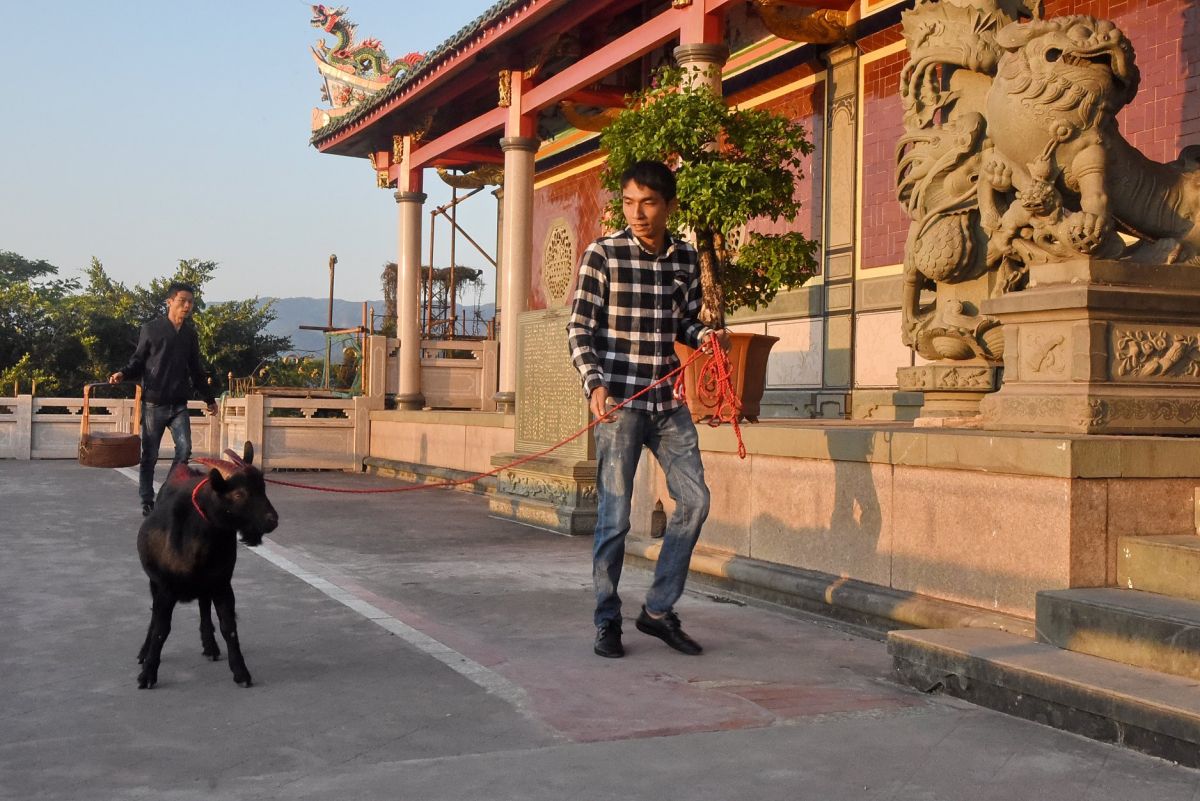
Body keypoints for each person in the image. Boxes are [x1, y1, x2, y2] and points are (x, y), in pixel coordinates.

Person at [567, 159, 729, 659]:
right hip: (619, 405)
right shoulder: (603, 254)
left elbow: (683, 322)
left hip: (668, 401)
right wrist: (594, 383)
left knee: (696, 501)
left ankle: (657, 610)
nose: (637, 213)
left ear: (669, 206)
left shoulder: (685, 257)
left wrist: (707, 336)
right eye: (629, 202)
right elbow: (579, 329)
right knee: (614, 519)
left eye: (649, 203)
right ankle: (607, 620)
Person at [109, 282, 218, 516]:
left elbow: (196, 369)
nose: (187, 306)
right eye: (182, 301)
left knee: (184, 450)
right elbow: (138, 360)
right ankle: (147, 500)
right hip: (153, 403)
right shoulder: (151, 329)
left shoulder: (189, 335)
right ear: (170, 302)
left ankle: (167, 494)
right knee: (150, 456)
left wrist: (209, 399)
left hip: (179, 404)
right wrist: (123, 374)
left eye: (190, 302)